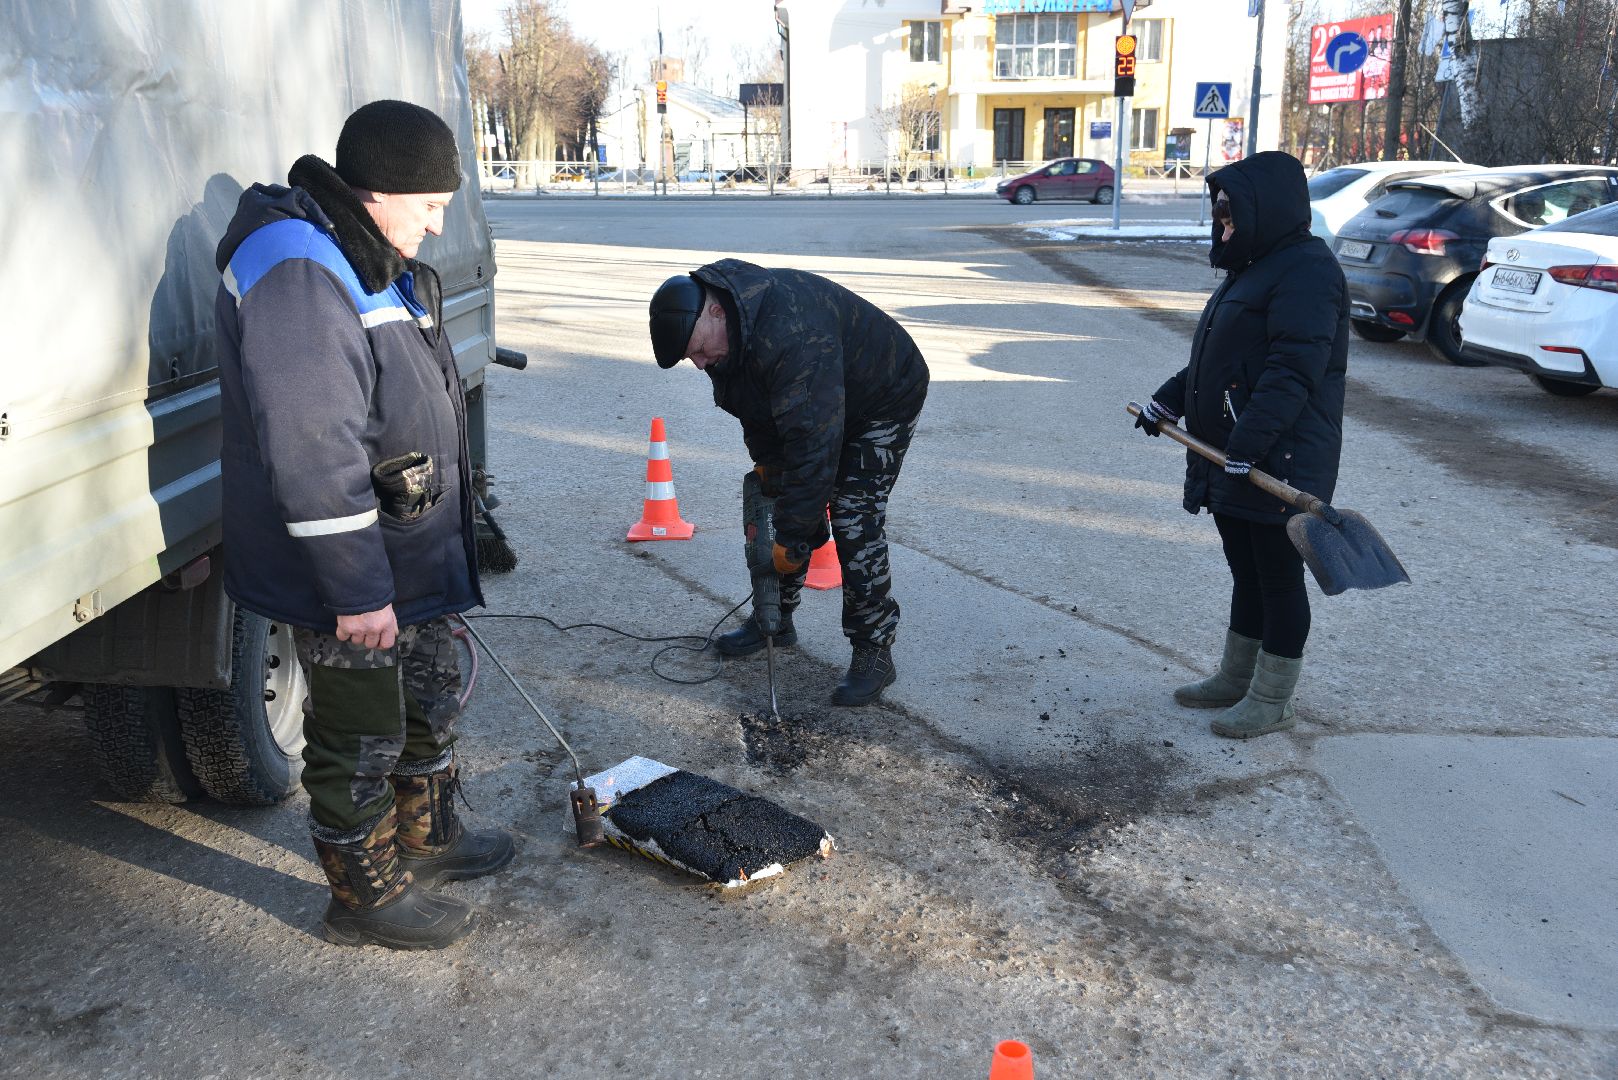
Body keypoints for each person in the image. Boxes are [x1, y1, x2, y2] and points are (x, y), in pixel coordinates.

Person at [215, 100, 513, 949]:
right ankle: (363, 898)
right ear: (379, 189)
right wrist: (354, 589)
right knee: (360, 728)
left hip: (403, 549)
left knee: (426, 695)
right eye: (430, 204)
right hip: (350, 567)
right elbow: (313, 445)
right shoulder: (298, 266)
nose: (438, 222)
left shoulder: (362, 251)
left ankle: (426, 838)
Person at [1134, 151, 1348, 740]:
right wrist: (1169, 400)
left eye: (1230, 212)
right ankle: (1237, 678)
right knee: (1246, 572)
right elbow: (1220, 361)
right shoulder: (1254, 268)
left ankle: (1273, 698)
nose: (1222, 223)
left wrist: (1247, 443)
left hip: (1280, 458)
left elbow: (1292, 371)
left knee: (1277, 577)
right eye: (1219, 213)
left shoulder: (1307, 271)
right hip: (1235, 454)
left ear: (1264, 209)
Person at [647, 260, 929, 706]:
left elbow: (815, 446)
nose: (699, 364)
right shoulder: (727, 339)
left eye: (697, 350)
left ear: (715, 312)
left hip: (882, 396)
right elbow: (757, 413)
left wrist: (796, 531)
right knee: (775, 497)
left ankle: (874, 649)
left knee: (854, 515)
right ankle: (773, 620)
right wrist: (771, 474)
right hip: (820, 401)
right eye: (691, 358)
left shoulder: (791, 333)